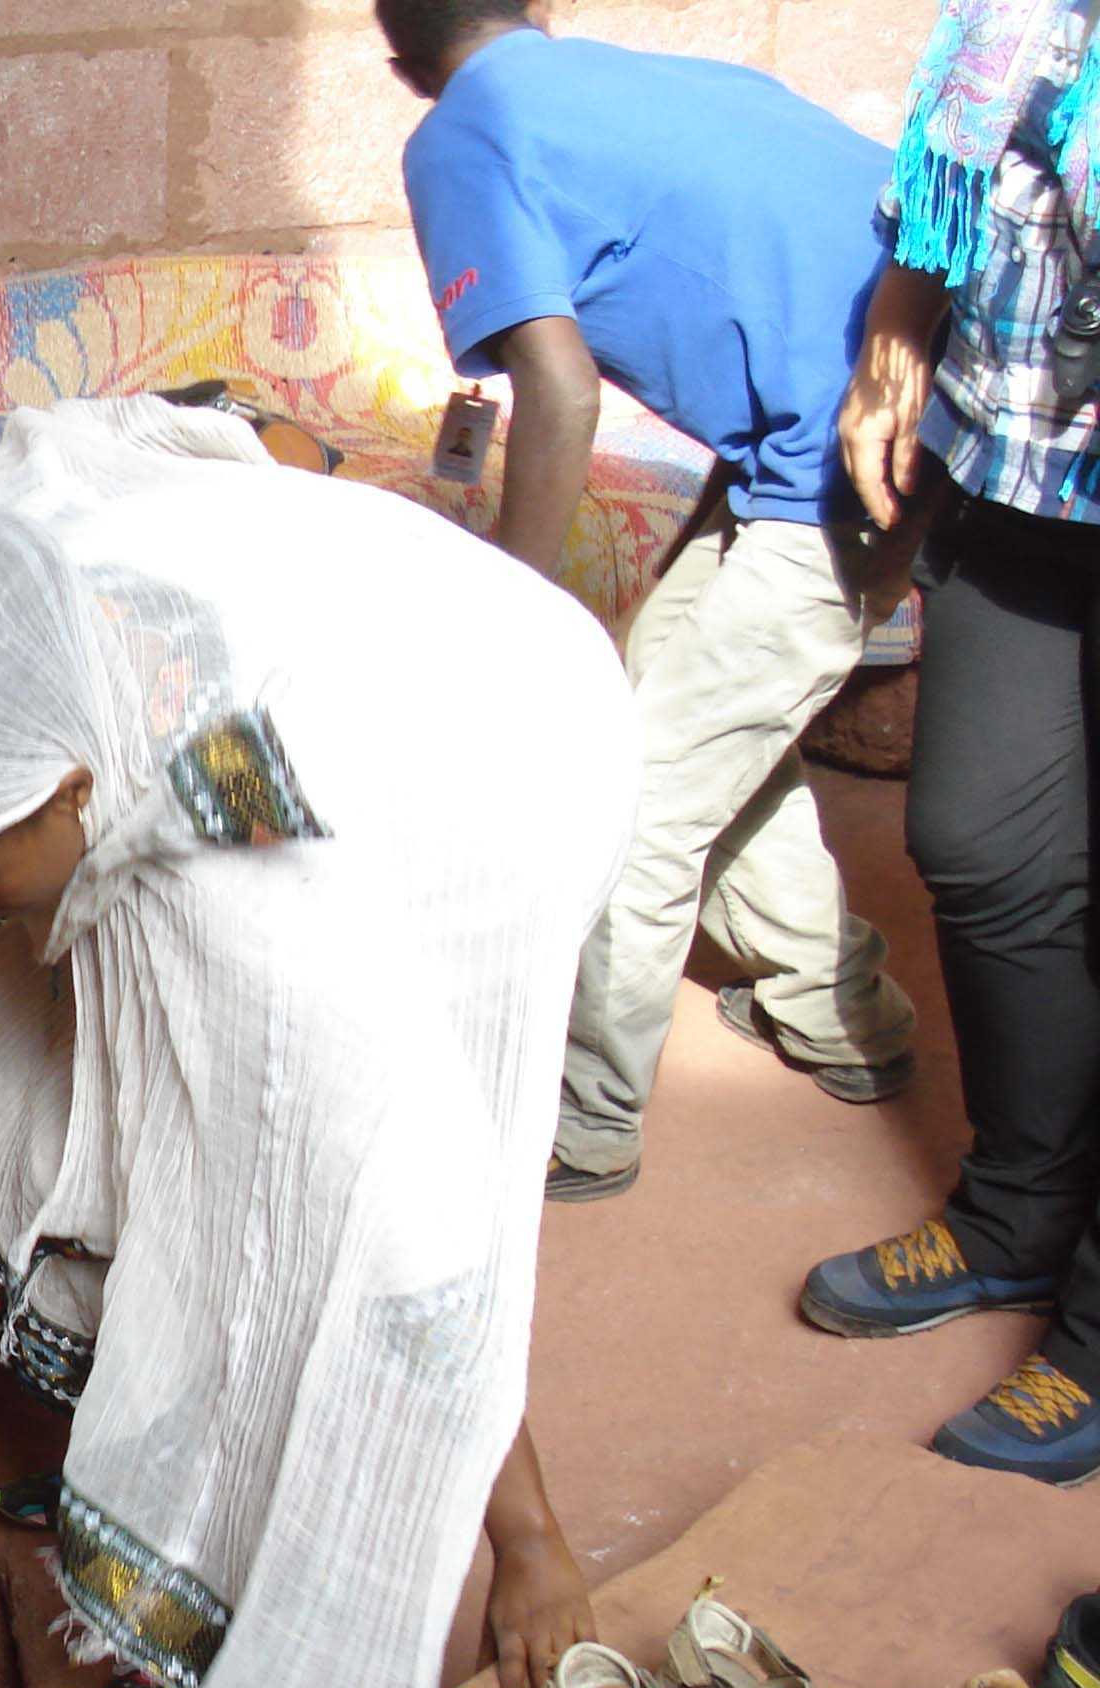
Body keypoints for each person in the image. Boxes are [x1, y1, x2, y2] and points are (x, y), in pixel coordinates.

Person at [0, 397, 626, 1688]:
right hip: (388, 673)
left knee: (291, 1203)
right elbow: (137, 427)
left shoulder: (263, 919)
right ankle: (171, 1461)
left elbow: (436, 1261)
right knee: (39, 1074)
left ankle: (232, 1559)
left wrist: (530, 1544)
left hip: (506, 757)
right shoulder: (32, 583)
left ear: (70, 786)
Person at [383, 0, 921, 1204]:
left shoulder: (461, 131)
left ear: (404, 68)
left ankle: (587, 1118)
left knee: (637, 801)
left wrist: (506, 614)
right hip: (888, 425)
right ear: (536, 15)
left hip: (837, 463)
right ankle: (843, 1015)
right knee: (687, 727)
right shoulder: (649, 81)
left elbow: (559, 396)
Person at [813, 0, 1100, 1486]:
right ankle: (1012, 1219)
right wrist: (896, 341)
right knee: (980, 841)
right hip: (1025, 473)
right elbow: (964, 171)